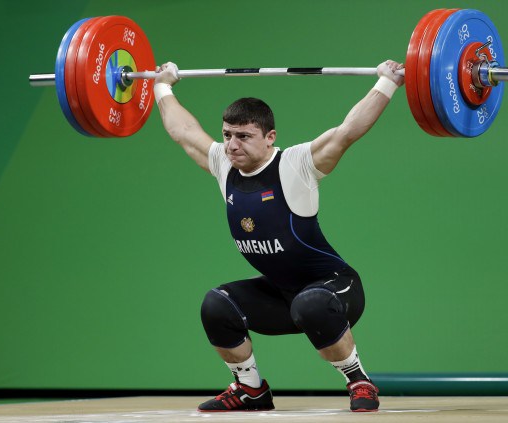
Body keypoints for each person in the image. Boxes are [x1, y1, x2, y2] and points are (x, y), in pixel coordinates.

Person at [153, 59, 404, 412]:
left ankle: (359, 380)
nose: (232, 145)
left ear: (270, 137)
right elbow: (183, 131)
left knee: (311, 304)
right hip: (282, 296)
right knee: (217, 304)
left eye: (243, 136)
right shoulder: (224, 166)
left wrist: (388, 82)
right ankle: (250, 390)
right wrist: (161, 86)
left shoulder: (295, 165)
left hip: (335, 290)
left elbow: (348, 130)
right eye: (227, 135)